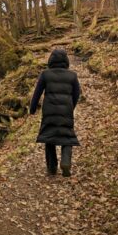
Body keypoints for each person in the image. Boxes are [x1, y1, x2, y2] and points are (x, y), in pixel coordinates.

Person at [29, 49, 81, 177]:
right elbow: (77, 93)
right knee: (67, 137)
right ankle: (66, 161)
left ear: (51, 60)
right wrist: (71, 107)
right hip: (66, 112)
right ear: (66, 61)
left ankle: (52, 168)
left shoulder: (45, 74)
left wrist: (32, 109)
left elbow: (37, 93)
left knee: (49, 137)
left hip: (49, 111)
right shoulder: (72, 76)